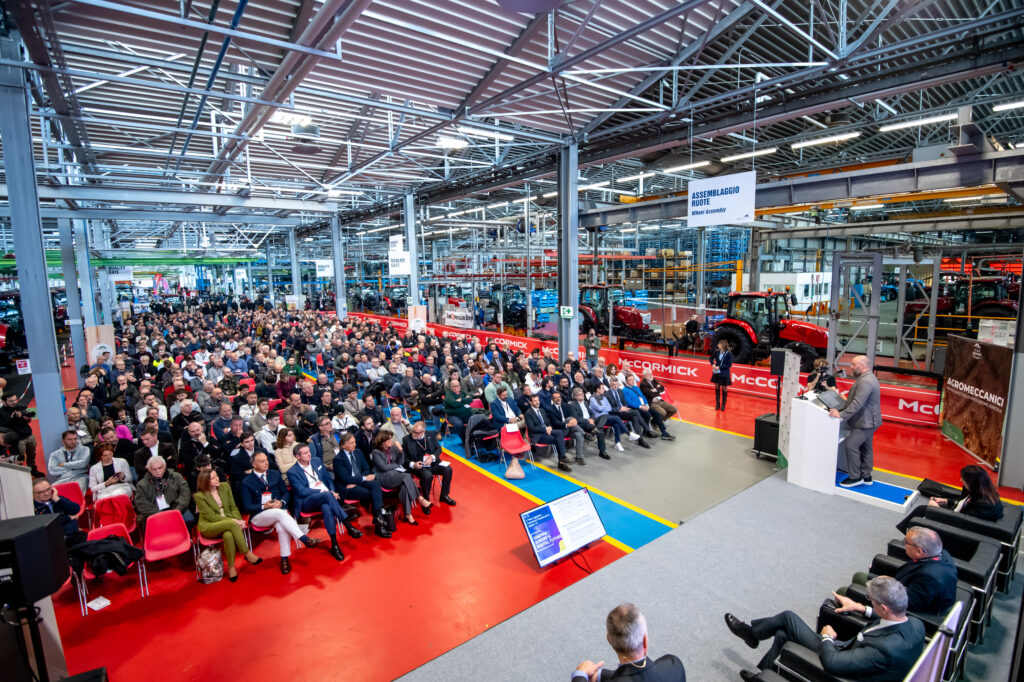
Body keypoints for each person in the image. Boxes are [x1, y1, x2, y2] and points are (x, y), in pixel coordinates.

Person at [724, 577, 925, 681]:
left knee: (787, 619)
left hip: (840, 662)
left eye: (871, 600)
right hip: (849, 651)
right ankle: (763, 675)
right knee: (783, 633)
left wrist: (827, 638)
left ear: (884, 607)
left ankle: (752, 635)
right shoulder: (915, 624)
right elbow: (885, 618)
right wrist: (860, 608)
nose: (869, 601)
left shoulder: (884, 649)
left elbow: (833, 664)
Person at [832, 527, 957, 617]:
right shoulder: (941, 554)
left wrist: (889, 583)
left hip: (904, 604)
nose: (904, 544)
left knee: (843, 591)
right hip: (904, 586)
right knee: (858, 577)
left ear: (919, 551)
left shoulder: (930, 578)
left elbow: (906, 605)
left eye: (906, 542)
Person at [239, 451, 319, 574]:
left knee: (281, 526)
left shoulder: (275, 474)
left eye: (266, 460)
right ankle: (303, 538)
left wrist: (281, 502)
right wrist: (263, 506)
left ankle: (284, 559)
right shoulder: (246, 482)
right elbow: (246, 506)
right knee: (280, 514)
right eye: (262, 461)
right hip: (259, 515)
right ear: (254, 465)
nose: (266, 463)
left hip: (278, 510)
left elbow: (286, 493)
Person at [572, 602, 686, 681]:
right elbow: (639, 675)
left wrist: (580, 675)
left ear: (609, 640)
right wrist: (601, 675)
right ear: (645, 640)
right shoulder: (673, 665)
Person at [286, 443, 359, 561]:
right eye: (305, 453)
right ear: (297, 456)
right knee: (326, 496)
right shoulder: (292, 472)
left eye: (309, 451)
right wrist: (325, 492)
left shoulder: (317, 461)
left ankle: (334, 545)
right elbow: (301, 491)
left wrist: (332, 491)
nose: (309, 454)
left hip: (326, 497)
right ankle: (348, 525)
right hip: (307, 501)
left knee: (326, 507)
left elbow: (328, 479)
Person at [194, 469, 264, 582]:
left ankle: (231, 567)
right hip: (209, 526)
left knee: (228, 535)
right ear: (205, 482)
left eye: (216, 476)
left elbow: (233, 507)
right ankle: (246, 553)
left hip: (228, 523)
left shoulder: (225, 486)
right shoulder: (199, 496)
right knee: (231, 524)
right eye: (212, 478)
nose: (217, 478)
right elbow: (211, 517)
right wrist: (234, 521)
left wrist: (238, 519)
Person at [828, 355, 882, 487]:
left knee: (851, 445)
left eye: (853, 364)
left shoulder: (865, 381)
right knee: (866, 447)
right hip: (870, 420)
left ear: (862, 366)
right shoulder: (868, 377)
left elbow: (858, 403)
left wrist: (841, 414)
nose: (850, 367)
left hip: (865, 422)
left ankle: (855, 477)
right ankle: (866, 475)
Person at [897, 464, 1004, 530]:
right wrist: (947, 501)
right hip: (958, 514)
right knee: (921, 509)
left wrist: (937, 510)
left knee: (924, 511)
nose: (961, 481)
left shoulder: (983, 506)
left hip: (956, 524)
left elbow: (964, 522)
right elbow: (964, 502)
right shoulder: (982, 491)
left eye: (963, 479)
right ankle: (905, 530)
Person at [333, 432, 391, 538]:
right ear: (343, 445)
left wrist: (359, 479)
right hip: (347, 488)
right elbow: (345, 479)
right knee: (370, 493)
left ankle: (378, 519)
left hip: (357, 482)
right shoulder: (338, 459)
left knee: (376, 484)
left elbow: (366, 469)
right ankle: (379, 521)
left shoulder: (358, 452)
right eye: (351, 443)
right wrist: (363, 478)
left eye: (354, 442)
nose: (355, 445)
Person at [369, 431, 431, 525]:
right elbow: (384, 467)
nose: (391, 440)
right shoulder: (376, 452)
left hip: (396, 475)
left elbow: (401, 462)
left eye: (391, 438)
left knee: (404, 487)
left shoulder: (393, 448)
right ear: (383, 441)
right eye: (389, 439)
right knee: (406, 476)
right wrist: (395, 465)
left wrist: (401, 450)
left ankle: (408, 514)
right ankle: (419, 498)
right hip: (384, 477)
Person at [401, 421, 456, 505]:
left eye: (417, 433)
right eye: (413, 431)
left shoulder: (430, 434)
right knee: (428, 476)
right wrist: (413, 464)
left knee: (448, 469)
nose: (414, 434)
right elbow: (404, 459)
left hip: (433, 463)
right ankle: (425, 500)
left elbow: (438, 449)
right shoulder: (406, 439)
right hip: (419, 465)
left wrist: (433, 457)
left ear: (423, 431)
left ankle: (444, 495)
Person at [135, 455, 193, 530]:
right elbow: (141, 504)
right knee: (152, 525)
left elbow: (185, 494)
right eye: (154, 469)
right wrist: (160, 514)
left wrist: (177, 510)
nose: (157, 471)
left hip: (176, 509)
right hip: (154, 512)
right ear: (149, 469)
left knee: (189, 519)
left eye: (160, 468)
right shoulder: (142, 484)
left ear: (165, 466)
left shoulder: (177, 477)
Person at [525, 394, 573, 472]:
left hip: (546, 431)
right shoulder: (528, 413)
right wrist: (545, 429)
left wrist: (550, 427)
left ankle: (562, 458)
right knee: (558, 438)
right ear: (530, 402)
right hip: (537, 435)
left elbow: (548, 423)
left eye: (538, 400)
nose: (537, 402)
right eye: (535, 401)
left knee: (559, 433)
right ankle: (562, 461)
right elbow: (532, 428)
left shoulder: (542, 410)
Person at [33, 478, 87, 547]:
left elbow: (75, 509)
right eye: (41, 492)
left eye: (48, 489)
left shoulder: (57, 500)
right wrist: (68, 518)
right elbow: (47, 524)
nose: (46, 493)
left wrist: (57, 499)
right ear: (33, 494)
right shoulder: (33, 508)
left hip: (74, 535)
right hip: (54, 542)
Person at [623, 374, 674, 441]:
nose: (632, 381)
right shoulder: (625, 390)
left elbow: (643, 397)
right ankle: (646, 431)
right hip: (636, 408)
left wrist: (646, 404)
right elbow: (629, 402)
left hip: (644, 405)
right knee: (647, 415)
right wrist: (641, 406)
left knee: (657, 414)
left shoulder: (636, 387)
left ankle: (664, 433)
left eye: (633, 379)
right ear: (627, 382)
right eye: (630, 380)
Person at [567, 387, 609, 460]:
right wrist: (588, 421)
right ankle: (602, 451)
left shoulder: (586, 402)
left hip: (590, 421)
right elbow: (577, 418)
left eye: (582, 394)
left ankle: (597, 428)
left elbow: (591, 413)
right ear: (575, 396)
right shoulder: (572, 405)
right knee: (600, 432)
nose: (582, 395)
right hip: (582, 424)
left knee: (604, 415)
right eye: (580, 394)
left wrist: (592, 419)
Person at [547, 391, 588, 466]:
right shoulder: (550, 409)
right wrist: (567, 424)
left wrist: (573, 420)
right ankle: (585, 434)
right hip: (560, 431)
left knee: (579, 435)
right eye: (556, 398)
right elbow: (556, 423)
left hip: (570, 428)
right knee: (568, 419)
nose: (558, 399)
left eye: (559, 397)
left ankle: (579, 457)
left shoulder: (565, 405)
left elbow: (572, 416)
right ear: (552, 400)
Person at [47, 430, 91, 494]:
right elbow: (52, 470)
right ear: (63, 441)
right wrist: (75, 467)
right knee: (50, 491)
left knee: (78, 488)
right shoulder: (55, 454)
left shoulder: (84, 449)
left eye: (75, 439)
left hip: (80, 477)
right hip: (62, 479)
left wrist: (64, 465)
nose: (73, 442)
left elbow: (83, 464)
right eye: (69, 439)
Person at [710, 339, 733, 411]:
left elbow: (729, 364)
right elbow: (710, 358)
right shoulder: (717, 352)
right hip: (716, 372)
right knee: (716, 386)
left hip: (724, 373)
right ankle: (717, 404)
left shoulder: (729, 353)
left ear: (722, 345)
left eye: (719, 344)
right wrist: (713, 364)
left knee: (724, 388)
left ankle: (723, 405)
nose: (718, 345)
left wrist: (720, 367)